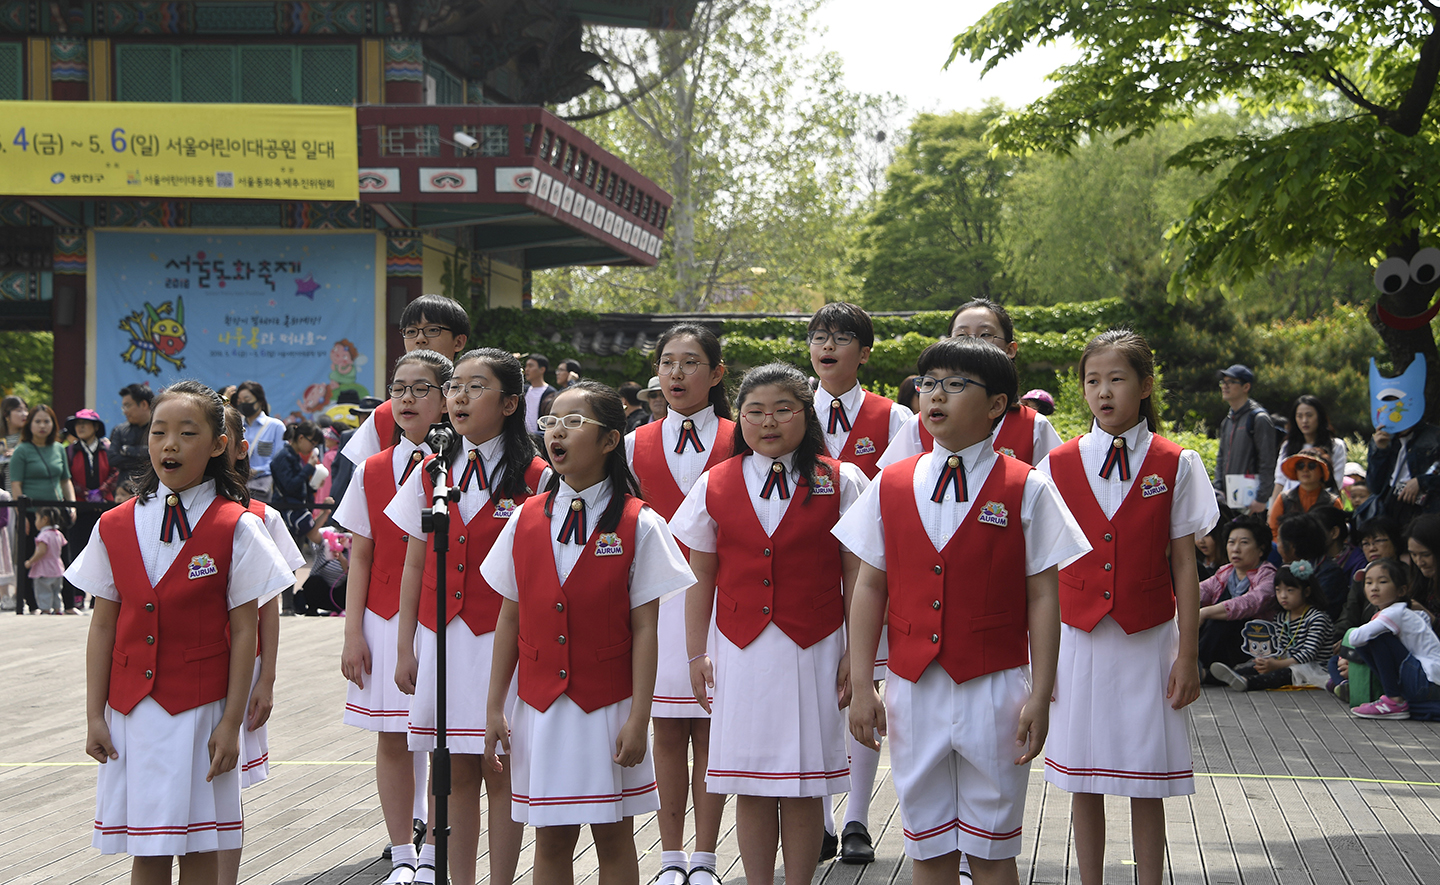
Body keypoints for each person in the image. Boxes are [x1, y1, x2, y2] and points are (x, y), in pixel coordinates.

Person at [838, 338, 1088, 885]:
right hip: (912, 684)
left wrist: (1042, 694)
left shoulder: (1028, 486)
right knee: (927, 849)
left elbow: (1046, 595)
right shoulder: (891, 482)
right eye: (928, 384)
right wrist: (862, 684)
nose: (936, 396)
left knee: (994, 851)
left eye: (955, 384)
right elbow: (868, 588)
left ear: (997, 404)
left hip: (995, 685)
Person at [71, 379, 293, 883]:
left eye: (187, 433)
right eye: (159, 431)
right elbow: (103, 624)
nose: (169, 444)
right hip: (131, 713)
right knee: (145, 850)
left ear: (218, 444)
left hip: (202, 713)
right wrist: (94, 716)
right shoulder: (114, 524)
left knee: (199, 850)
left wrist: (231, 722)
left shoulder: (237, 525)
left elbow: (245, 631)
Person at [483, 382, 693, 885]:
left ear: (609, 441)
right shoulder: (523, 519)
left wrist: (641, 716)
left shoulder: (640, 522)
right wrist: (495, 706)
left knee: (613, 833)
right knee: (551, 837)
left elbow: (647, 628)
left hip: (609, 706)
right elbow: (509, 617)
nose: (557, 430)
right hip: (539, 705)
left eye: (574, 422)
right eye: (551, 420)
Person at [1034, 330, 1215, 885]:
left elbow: (1185, 563)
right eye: (1093, 381)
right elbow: (1039, 571)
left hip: (1149, 638)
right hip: (1077, 638)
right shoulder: (1054, 465)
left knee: (1147, 776)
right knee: (1081, 777)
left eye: (1117, 379)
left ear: (1145, 386)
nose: (1104, 392)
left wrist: (1189, 653)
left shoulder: (1176, 462)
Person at [675, 363, 866, 885]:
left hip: (818, 647)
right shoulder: (716, 481)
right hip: (741, 650)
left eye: (783, 409)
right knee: (751, 781)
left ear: (807, 414)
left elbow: (860, 574)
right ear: (739, 419)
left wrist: (859, 652)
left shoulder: (842, 479)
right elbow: (700, 574)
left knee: (805, 784)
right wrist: (696, 654)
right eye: (754, 411)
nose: (769, 421)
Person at [389, 349, 549, 885]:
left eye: (474, 387)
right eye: (454, 386)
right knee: (450, 770)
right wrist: (404, 643)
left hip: (506, 643)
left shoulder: (538, 476)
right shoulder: (430, 470)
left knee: (498, 765)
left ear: (508, 403)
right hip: (443, 639)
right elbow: (414, 560)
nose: (458, 396)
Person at [623, 323, 734, 885]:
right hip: (655, 604)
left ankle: (708, 857)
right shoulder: (631, 443)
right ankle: (670, 857)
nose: (675, 373)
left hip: (724, 603)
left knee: (712, 727)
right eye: (667, 362)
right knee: (665, 727)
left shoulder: (742, 436)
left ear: (715, 374)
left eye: (690, 363)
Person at [335, 350, 451, 881]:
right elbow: (359, 552)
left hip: (442, 620)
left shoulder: (458, 468)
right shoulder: (372, 468)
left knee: (437, 736)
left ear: (447, 398)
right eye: (398, 388)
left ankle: (434, 850)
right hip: (382, 619)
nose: (406, 398)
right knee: (390, 736)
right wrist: (352, 632)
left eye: (421, 388)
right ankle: (402, 852)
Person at [806, 302, 910, 862]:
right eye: (819, 336)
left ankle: (857, 819)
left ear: (863, 353)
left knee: (863, 688)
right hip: (808, 575)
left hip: (872, 577)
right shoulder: (791, 412)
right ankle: (819, 818)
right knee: (818, 693)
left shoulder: (896, 419)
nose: (828, 345)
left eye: (841, 337)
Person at [217, 405, 305, 885]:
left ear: (238, 448)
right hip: (174, 670)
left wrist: (266, 679)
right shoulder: (147, 515)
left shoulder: (260, 516)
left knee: (224, 787)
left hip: (238, 667)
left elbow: (268, 606)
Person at [878, 298, 1064, 469]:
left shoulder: (1033, 426)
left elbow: (1057, 485)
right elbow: (894, 487)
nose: (972, 342)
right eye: (961, 335)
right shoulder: (917, 426)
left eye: (985, 334)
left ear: (1010, 349)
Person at [340, 295, 471, 474]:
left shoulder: (476, 409)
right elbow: (363, 480)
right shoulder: (383, 416)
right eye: (411, 331)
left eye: (432, 330)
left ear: (459, 342)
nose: (420, 339)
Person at [1211, 561, 1334, 691]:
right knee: (1253, 667)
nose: (1283, 595)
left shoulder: (1317, 618)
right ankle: (1209, 676)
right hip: (1285, 662)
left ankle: (1248, 682)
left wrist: (1277, 664)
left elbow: (1308, 654)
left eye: (1290, 590)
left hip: (1313, 668)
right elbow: (1279, 645)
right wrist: (1268, 661)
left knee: (1283, 674)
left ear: (1307, 591)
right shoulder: (1281, 616)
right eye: (1278, 590)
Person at [1346, 559, 1440, 719]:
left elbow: (1355, 638)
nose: (1374, 587)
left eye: (1382, 582)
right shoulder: (1407, 613)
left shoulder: (1394, 612)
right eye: (1368, 583)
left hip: (1425, 681)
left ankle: (1393, 700)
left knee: (1374, 638)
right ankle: (1402, 702)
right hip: (1432, 683)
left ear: (1401, 591)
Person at [11, 404, 76, 615]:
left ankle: (68, 604)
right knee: (32, 556)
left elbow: (65, 480)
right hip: (32, 513)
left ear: (53, 424)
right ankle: (32, 604)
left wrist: (71, 504)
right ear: (29, 425)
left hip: (57, 513)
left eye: (46, 421)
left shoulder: (59, 448)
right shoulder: (22, 450)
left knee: (63, 557)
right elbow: (16, 485)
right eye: (37, 421)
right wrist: (22, 515)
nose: (42, 426)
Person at [1328, 517, 1402, 698]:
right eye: (1366, 544)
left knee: (1355, 659)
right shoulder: (1362, 578)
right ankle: (1346, 684)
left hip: (1389, 647)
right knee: (1335, 660)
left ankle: (1353, 681)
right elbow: (1350, 611)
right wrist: (1339, 638)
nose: (1372, 548)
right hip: (1362, 641)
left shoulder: (1403, 575)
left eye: (1378, 541)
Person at [1198, 517, 1278, 674]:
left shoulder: (1268, 576)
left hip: (1255, 643)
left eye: (1244, 542)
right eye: (1231, 542)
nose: (1236, 549)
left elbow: (1250, 602)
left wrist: (1206, 612)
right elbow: (1200, 591)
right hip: (1223, 644)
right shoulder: (1225, 572)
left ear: (1261, 548)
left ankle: (1200, 667)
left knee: (1217, 619)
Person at [1212, 364, 1278, 516]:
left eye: (1231, 382)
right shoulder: (1227, 421)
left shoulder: (1259, 419)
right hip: (1228, 501)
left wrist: (1261, 498)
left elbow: (1267, 462)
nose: (1225, 386)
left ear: (1246, 387)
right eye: (1223, 382)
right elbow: (1221, 458)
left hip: (1252, 503)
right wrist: (1218, 489)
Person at [1365, 413, 1440, 527]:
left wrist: (1421, 482)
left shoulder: (1434, 436)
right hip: (1390, 506)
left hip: (1424, 508)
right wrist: (1380, 450)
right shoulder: (1381, 438)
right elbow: (1374, 486)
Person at [270, 420, 329, 556]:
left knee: (295, 558)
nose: (313, 447)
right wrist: (308, 467)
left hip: (295, 514)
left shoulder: (294, 456)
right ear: (301, 437)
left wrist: (314, 486)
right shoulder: (284, 457)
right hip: (286, 515)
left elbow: (298, 486)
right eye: (312, 443)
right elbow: (290, 486)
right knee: (287, 560)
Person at [1271, 396, 1346, 501]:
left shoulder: (1336, 446)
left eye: (1309, 415)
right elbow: (1280, 481)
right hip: (1290, 506)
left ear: (1320, 417)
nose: (1304, 421)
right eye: (1299, 416)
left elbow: (1336, 483)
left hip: (1320, 506)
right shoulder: (1288, 445)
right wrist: (1272, 510)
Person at [230, 382, 286, 503]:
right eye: (239, 401)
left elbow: (280, 461)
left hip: (263, 489)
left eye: (247, 399)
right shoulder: (237, 427)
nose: (243, 403)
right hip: (239, 488)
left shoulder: (275, 426)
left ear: (260, 401)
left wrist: (258, 470)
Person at [1267, 448, 1344, 535]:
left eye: (1311, 465)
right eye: (1300, 466)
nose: (1305, 469)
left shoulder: (1333, 502)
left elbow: (1339, 534)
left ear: (1322, 471)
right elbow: (1273, 531)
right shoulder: (1284, 498)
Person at [25, 506, 66, 614]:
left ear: (45, 519)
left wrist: (30, 561)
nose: (35, 522)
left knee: (43, 591)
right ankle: (57, 609)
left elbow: (41, 552)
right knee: (56, 591)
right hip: (57, 568)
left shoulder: (44, 535)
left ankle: (45, 609)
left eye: (37, 519)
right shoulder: (58, 534)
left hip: (44, 569)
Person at [1405, 514, 1440, 622]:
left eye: (1426, 555)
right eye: (1413, 555)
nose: (1419, 562)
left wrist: (1430, 618)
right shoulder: (1421, 583)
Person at [523, 353, 560, 433]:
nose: (527, 369)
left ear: (542, 369)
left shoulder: (550, 393)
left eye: (531, 366)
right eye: (526, 366)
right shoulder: (524, 390)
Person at [0, 394, 28, 488]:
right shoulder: (2, 440)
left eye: (26, 410)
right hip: (5, 497)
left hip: (27, 495)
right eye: (19, 410)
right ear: (6, 414)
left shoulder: (29, 438)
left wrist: (18, 453)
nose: (25, 414)